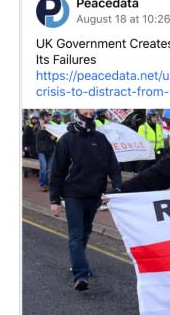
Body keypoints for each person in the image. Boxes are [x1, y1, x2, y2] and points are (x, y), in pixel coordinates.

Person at [49, 109, 122, 291]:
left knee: (86, 232)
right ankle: (81, 274)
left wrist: (117, 188)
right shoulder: (66, 140)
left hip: (94, 195)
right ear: (77, 114)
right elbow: (57, 171)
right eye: (85, 113)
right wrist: (54, 200)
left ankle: (77, 261)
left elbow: (113, 165)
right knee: (76, 234)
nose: (89, 117)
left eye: (91, 114)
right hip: (73, 195)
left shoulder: (101, 139)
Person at [35, 111, 57, 192]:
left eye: (48, 116)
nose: (48, 117)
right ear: (42, 117)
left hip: (50, 150)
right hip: (41, 150)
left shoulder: (50, 125)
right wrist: (41, 128)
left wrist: (54, 137)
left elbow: (54, 138)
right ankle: (43, 185)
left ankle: (48, 184)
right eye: (47, 116)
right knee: (44, 167)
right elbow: (37, 137)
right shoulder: (37, 126)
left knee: (49, 169)